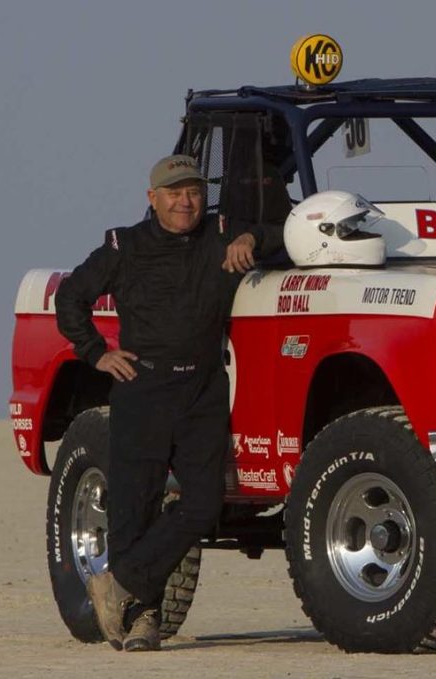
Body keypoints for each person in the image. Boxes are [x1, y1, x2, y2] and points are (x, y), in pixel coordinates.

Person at [55, 154, 284, 651]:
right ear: (152, 198)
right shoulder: (125, 244)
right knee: (133, 510)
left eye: (194, 192)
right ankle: (143, 621)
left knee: (202, 507)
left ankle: (119, 583)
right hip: (144, 389)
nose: (186, 202)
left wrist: (253, 239)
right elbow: (70, 297)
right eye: (175, 192)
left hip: (203, 390)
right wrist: (97, 354)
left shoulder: (222, 233)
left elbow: (286, 232)